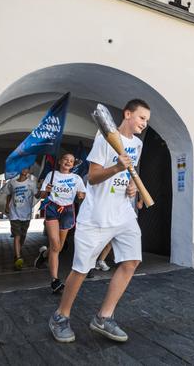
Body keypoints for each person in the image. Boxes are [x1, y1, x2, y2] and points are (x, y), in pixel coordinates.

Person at [49, 99, 149, 343]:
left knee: (132, 261)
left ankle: (104, 317)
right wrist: (116, 168)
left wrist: (132, 187)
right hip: (96, 216)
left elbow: (130, 173)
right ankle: (60, 316)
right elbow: (92, 177)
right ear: (127, 114)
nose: (144, 124)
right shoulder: (104, 139)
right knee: (81, 269)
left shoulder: (137, 144)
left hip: (123, 213)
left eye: (147, 120)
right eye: (141, 118)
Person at [36, 153, 86, 293]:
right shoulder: (51, 175)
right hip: (52, 208)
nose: (68, 162)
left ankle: (44, 254)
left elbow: (83, 195)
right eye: (66, 159)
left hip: (68, 211)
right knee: (55, 244)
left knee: (58, 248)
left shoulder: (76, 178)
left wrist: (81, 195)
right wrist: (46, 190)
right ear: (60, 161)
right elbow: (42, 195)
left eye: (71, 161)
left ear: (73, 164)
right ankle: (55, 281)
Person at [5, 167, 39, 270]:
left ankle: (17, 253)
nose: (25, 170)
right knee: (17, 235)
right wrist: (7, 205)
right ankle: (18, 257)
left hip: (26, 214)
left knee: (23, 236)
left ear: (29, 171)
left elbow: (37, 195)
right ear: (20, 170)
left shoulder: (31, 183)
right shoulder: (12, 182)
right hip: (14, 213)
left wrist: (43, 190)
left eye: (27, 169)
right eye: (23, 168)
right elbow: (9, 194)